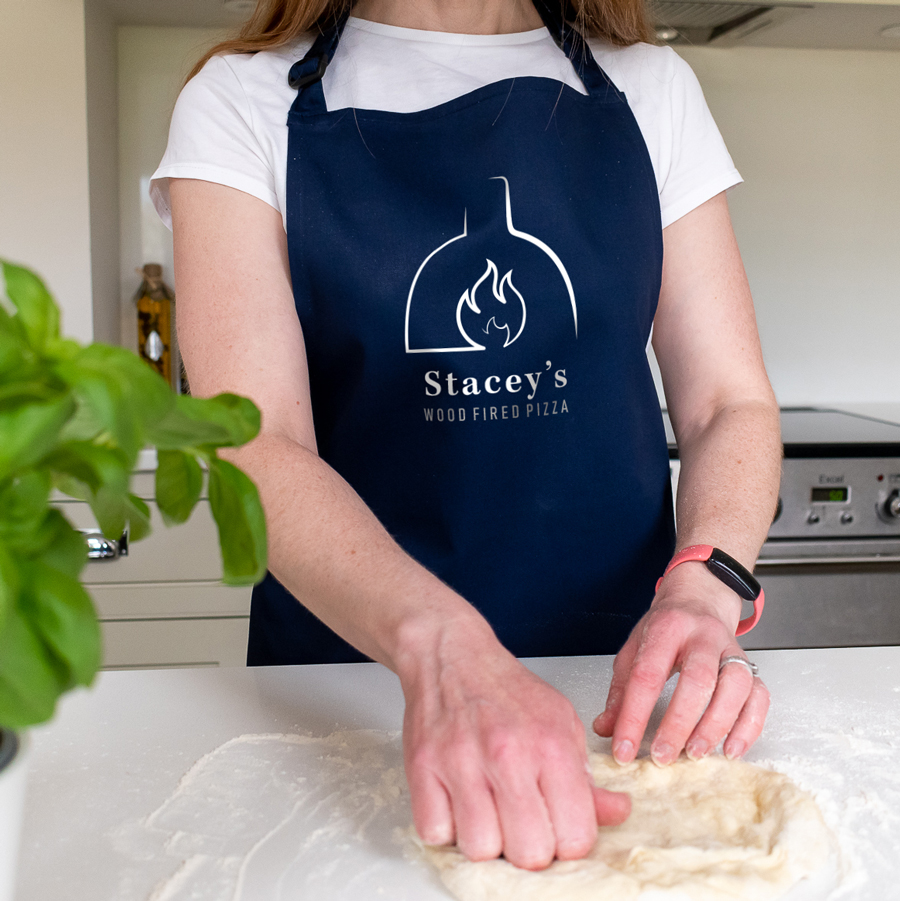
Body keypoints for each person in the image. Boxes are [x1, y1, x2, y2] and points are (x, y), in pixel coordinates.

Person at [151, 0, 782, 872]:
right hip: (357, 685)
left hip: (617, 689)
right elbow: (255, 443)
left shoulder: (650, 89)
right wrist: (441, 651)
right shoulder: (241, 99)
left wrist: (706, 585)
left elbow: (727, 402)